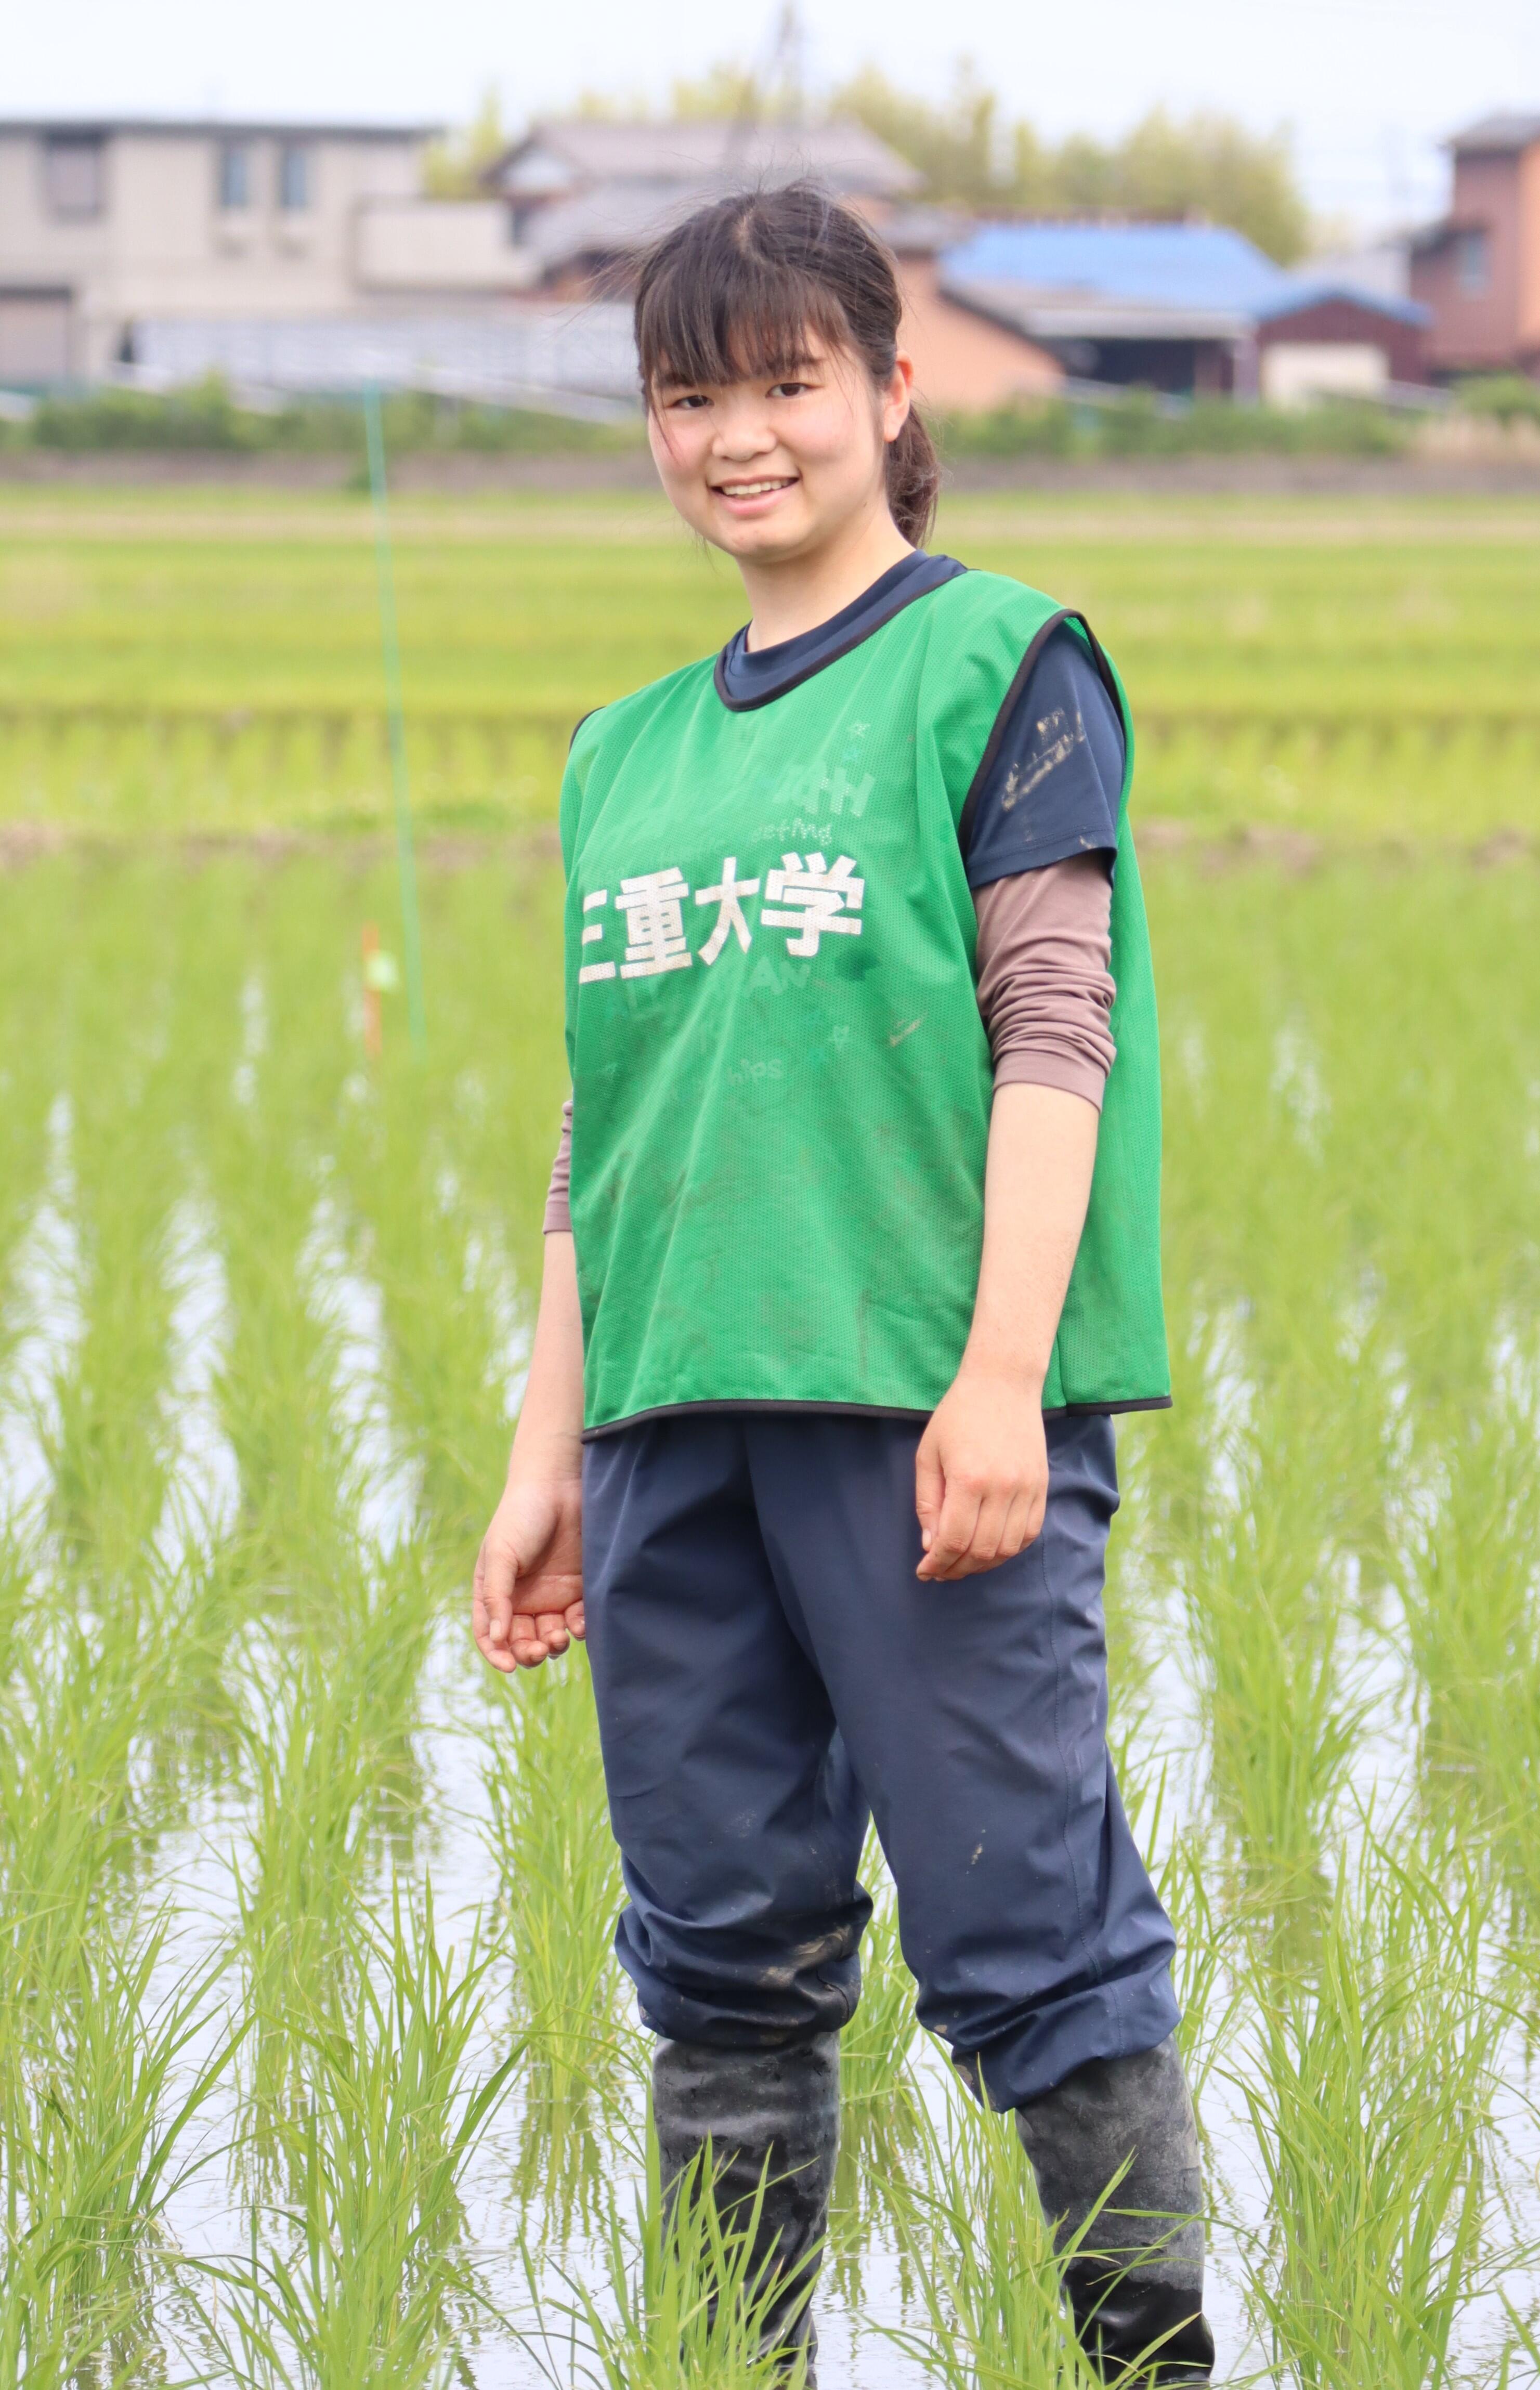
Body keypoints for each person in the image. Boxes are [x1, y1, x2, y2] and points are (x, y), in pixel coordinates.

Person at [472, 181, 1214, 2385]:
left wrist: (1001, 1379)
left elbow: (1054, 1031)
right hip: (669, 1421)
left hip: (920, 1411)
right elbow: (607, 1122)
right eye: (686, 398)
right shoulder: (624, 752)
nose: (737, 439)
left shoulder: (1001, 668)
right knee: (716, 1952)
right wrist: (546, 1456)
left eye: (784, 384)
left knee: (1024, 1924)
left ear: (893, 393)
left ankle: (1158, 2366)